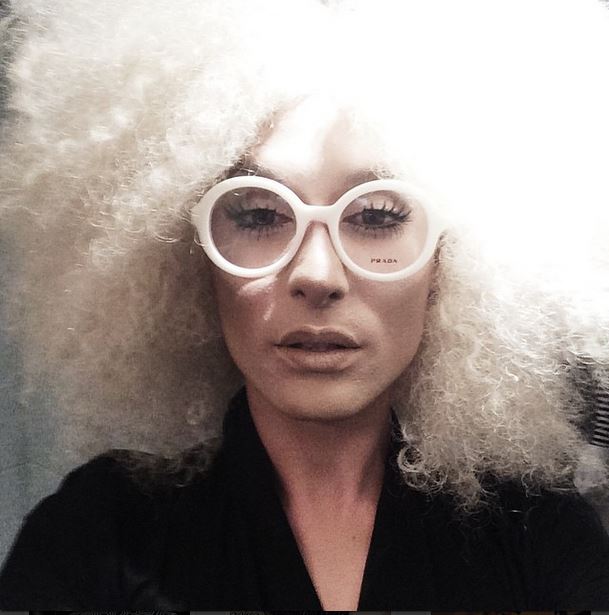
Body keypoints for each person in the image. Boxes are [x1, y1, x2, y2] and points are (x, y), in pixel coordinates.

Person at [1, 0, 609, 610]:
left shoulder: (539, 536)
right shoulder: (97, 536)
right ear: (190, 259)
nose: (317, 275)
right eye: (259, 214)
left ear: (450, 263)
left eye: (377, 216)